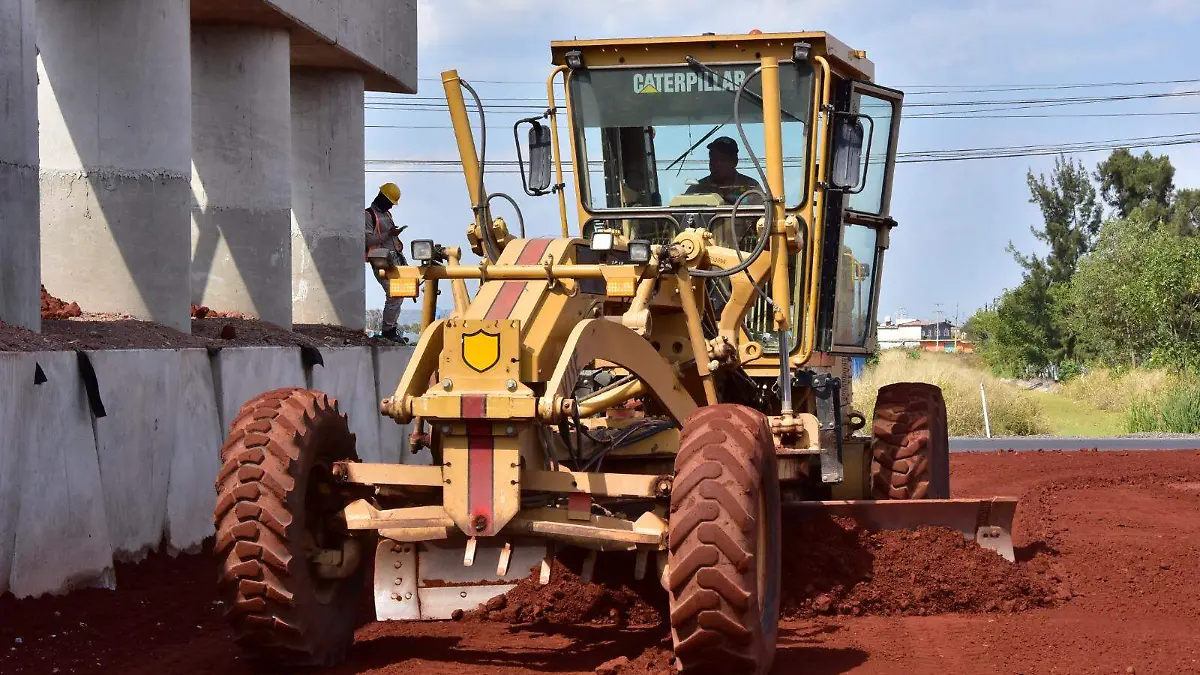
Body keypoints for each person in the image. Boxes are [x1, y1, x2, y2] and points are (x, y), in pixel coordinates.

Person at [365, 182, 408, 341]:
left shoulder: (387, 215)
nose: (391, 206)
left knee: (402, 292)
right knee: (394, 293)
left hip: (395, 259)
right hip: (381, 261)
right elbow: (368, 240)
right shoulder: (368, 215)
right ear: (382, 198)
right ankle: (388, 330)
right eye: (390, 202)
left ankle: (392, 328)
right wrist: (389, 234)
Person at [685, 136, 763, 205]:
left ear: (735, 162)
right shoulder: (696, 189)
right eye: (713, 158)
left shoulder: (751, 187)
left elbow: (765, 217)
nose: (716, 164)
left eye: (722, 160)